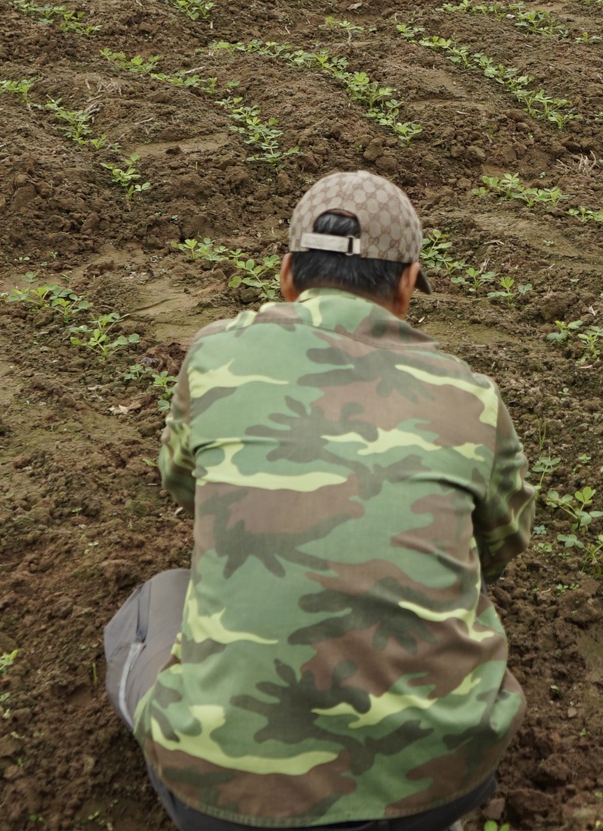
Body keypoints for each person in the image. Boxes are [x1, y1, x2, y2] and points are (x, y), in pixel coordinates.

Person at [104, 171, 537, 831]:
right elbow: (499, 546)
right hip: (438, 781)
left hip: (224, 804)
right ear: (407, 285)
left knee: (156, 603)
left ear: (287, 274)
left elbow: (184, 482)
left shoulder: (218, 356)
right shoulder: (469, 395)